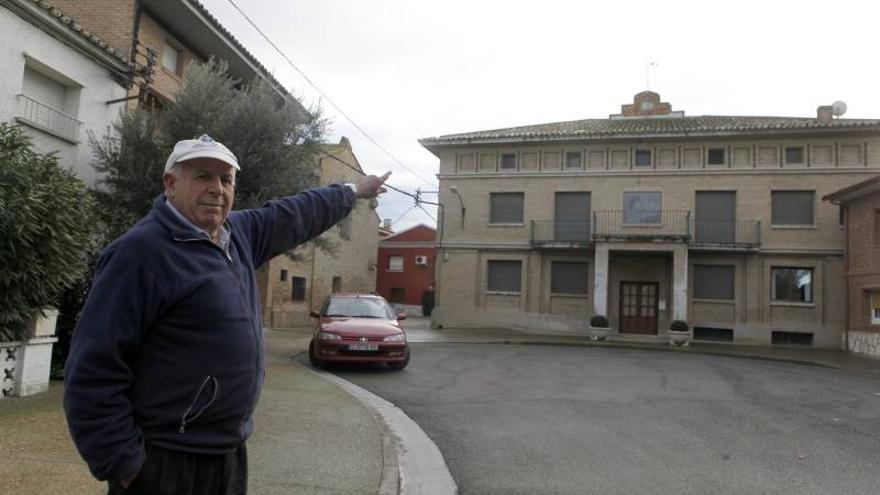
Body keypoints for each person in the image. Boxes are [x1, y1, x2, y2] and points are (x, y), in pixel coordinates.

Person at [63, 134, 390, 494]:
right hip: (166, 461)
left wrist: (353, 190)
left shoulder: (239, 235)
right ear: (171, 184)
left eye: (226, 179)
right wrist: (126, 466)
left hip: (227, 455)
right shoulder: (140, 254)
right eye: (203, 176)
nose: (217, 188)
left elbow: (296, 213)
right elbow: (92, 370)